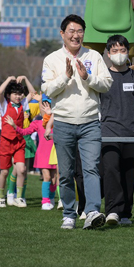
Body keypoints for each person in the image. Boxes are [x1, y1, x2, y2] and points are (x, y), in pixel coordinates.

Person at [41, 14, 113, 230]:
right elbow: (47, 89)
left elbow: (107, 84)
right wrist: (65, 76)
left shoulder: (94, 56)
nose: (76, 35)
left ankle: (91, 211)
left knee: (91, 168)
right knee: (66, 172)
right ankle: (69, 214)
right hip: (63, 122)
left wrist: (87, 77)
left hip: (90, 122)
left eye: (80, 31)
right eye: (71, 31)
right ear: (62, 34)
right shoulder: (51, 59)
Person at [99, 34, 134, 226]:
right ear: (108, 54)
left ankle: (125, 213)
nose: (119, 54)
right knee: (111, 170)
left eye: (122, 50)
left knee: (128, 173)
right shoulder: (102, 78)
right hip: (108, 131)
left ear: (128, 52)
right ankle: (112, 211)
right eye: (115, 50)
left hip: (133, 133)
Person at [0, 80, 31, 208]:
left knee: (22, 169)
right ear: (9, 95)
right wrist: (9, 78)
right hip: (6, 142)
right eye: (15, 94)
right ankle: (0, 197)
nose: (18, 96)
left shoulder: (23, 104)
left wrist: (24, 78)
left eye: (20, 94)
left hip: (19, 142)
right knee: (4, 172)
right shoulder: (4, 105)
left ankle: (19, 197)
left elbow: (32, 93)